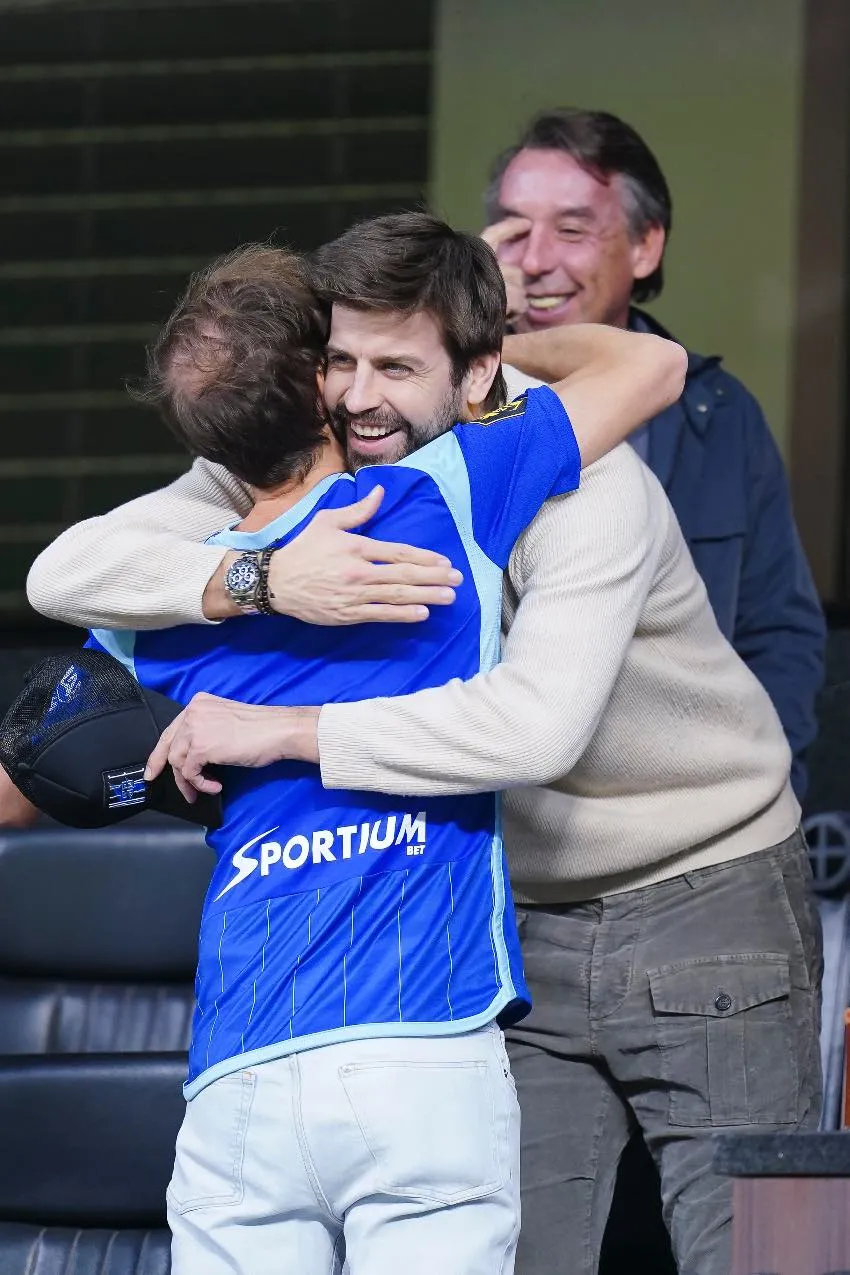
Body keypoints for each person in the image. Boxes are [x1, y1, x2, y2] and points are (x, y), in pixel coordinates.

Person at [25, 219, 820, 1275]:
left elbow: (531, 725)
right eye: (339, 362)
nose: (359, 397)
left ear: (478, 368)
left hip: (698, 892)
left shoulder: (567, 474)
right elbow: (71, 568)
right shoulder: (340, 479)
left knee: (762, 1259)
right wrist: (259, 577)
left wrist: (283, 729)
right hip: (504, 927)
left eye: (397, 364)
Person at [481, 107, 826, 803]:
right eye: (515, 231)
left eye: (573, 230)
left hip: (694, 823)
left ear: (645, 247)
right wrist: (458, 318)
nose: (537, 259)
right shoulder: (435, 401)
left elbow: (779, 635)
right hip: (499, 808)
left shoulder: (718, 413)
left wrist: (757, 792)